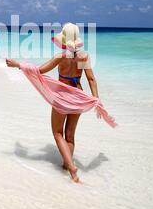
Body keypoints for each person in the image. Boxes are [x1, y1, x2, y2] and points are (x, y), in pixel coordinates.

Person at [6, 23, 99, 183]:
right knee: (70, 135)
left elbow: (39, 71)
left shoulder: (60, 57)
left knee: (57, 133)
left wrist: (18, 65)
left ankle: (71, 168)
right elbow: (91, 79)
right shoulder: (84, 57)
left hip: (62, 97)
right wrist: (96, 100)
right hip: (78, 96)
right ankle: (67, 167)